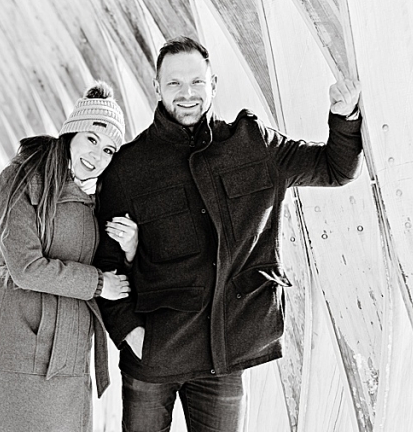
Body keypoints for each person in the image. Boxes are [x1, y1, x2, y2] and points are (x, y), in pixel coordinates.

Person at [93, 36, 363, 432]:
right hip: (152, 355)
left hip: (223, 357)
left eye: (196, 82)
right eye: (174, 83)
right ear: (157, 87)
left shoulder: (253, 145)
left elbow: (335, 169)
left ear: (213, 84)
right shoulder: (128, 168)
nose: (187, 94)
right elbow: (106, 262)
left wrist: (344, 116)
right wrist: (130, 335)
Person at [0, 82, 139, 432]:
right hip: (20, 336)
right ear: (71, 133)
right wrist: (98, 284)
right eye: (91, 139)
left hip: (71, 346)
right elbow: (26, 267)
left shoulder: (102, 198)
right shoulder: (22, 179)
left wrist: (131, 246)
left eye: (108, 150)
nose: (97, 155)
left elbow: (116, 268)